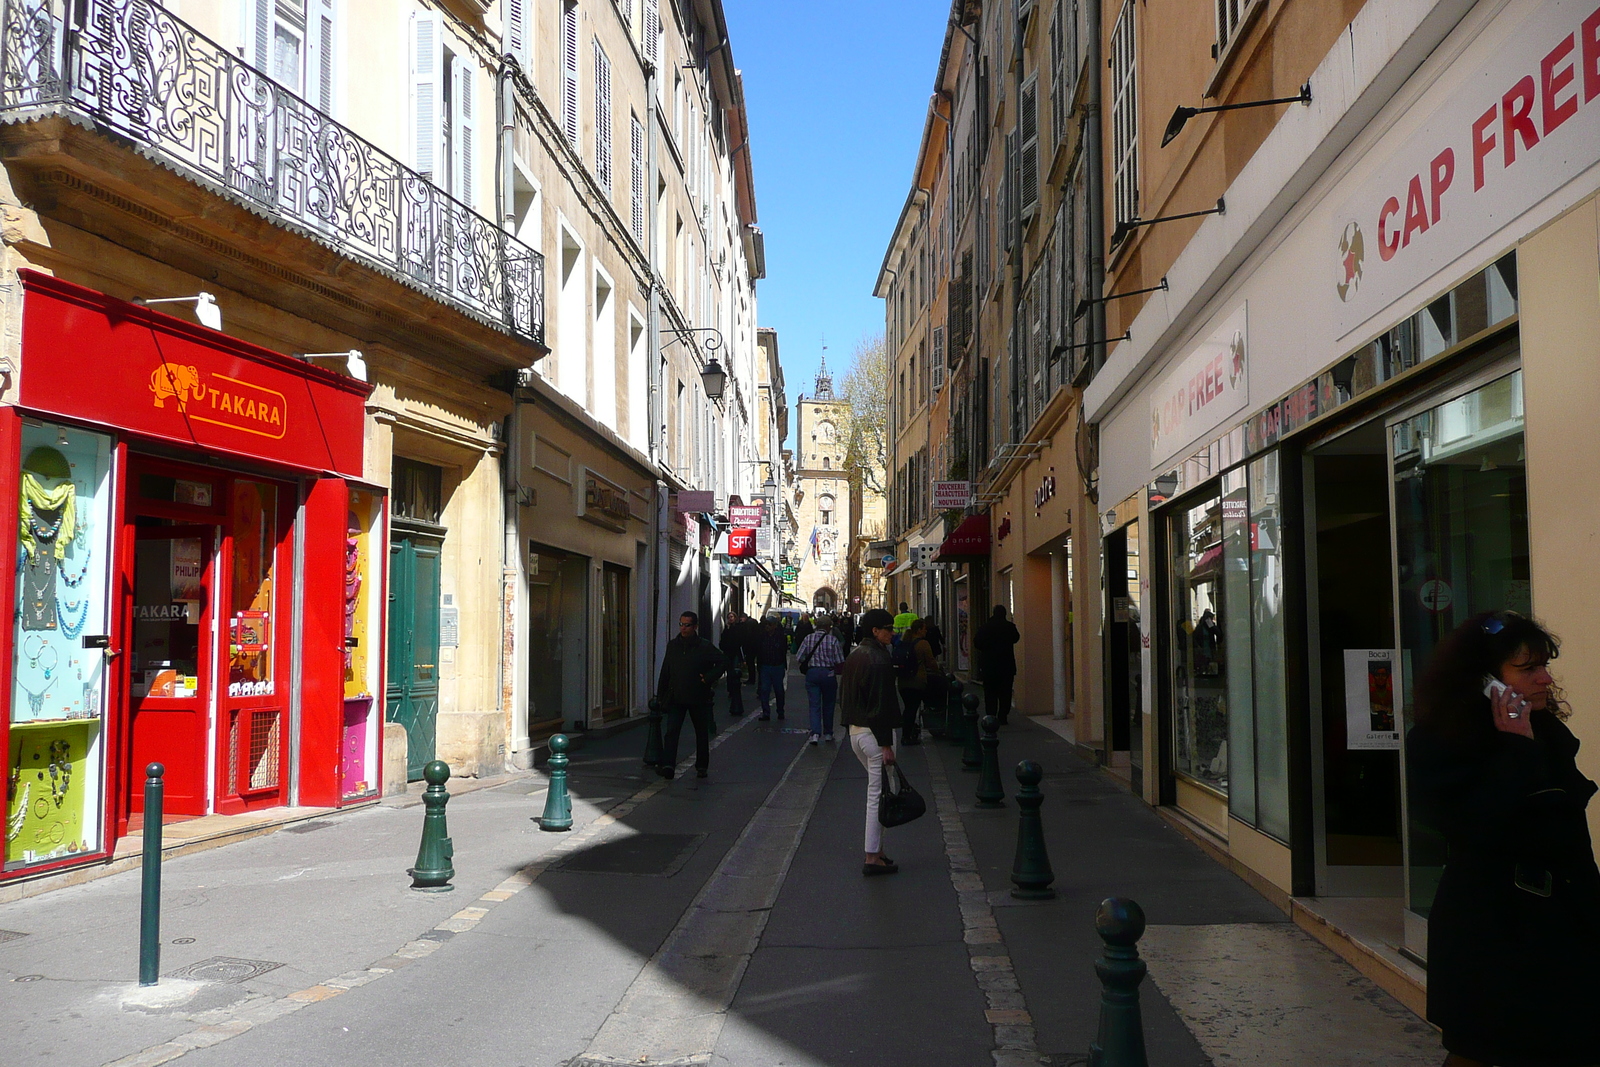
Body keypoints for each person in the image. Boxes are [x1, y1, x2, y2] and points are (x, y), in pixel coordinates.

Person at [1408, 611, 1600, 1067]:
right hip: (1493, 931)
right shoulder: (1439, 744)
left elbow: (1567, 828)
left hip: (1563, 922)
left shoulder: (1546, 732)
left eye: (1544, 665)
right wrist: (1516, 748)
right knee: (1485, 1048)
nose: (1546, 678)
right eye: (1528, 669)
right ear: (1484, 681)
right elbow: (1479, 825)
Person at [839, 607, 902, 876]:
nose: (892, 634)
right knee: (879, 795)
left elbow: (847, 696)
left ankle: (878, 851)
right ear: (875, 631)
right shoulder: (878, 658)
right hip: (874, 734)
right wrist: (886, 743)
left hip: (857, 731)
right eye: (888, 629)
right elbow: (881, 704)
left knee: (884, 791)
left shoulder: (855, 655)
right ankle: (871, 855)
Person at [655, 611, 727, 780]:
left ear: (694, 627)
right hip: (676, 695)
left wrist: (708, 678)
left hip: (698, 696)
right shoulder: (673, 645)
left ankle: (702, 766)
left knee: (701, 733)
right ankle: (668, 766)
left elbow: (723, 661)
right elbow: (666, 670)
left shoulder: (704, 646)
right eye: (681, 624)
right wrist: (661, 695)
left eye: (687, 625)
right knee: (672, 731)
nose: (683, 628)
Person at [797, 612, 845, 744]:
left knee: (814, 704)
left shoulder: (808, 638)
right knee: (829, 704)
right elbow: (839, 660)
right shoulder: (833, 640)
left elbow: (799, 657)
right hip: (828, 674)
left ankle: (815, 734)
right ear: (829, 627)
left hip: (812, 673)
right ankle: (828, 733)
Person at [895, 618, 941, 746]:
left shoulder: (905, 641)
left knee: (909, 708)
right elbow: (931, 662)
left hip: (903, 682)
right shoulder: (923, 644)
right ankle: (907, 735)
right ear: (919, 630)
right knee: (912, 709)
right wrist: (938, 671)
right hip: (917, 681)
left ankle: (909, 732)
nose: (926, 631)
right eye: (924, 629)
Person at [974, 604, 1020, 725]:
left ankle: (991, 715)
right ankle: (1003, 715)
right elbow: (1016, 638)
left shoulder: (985, 627)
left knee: (990, 692)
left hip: (989, 665)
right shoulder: (1009, 627)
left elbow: (977, 643)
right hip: (1006, 665)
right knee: (1005, 692)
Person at [755, 615, 790, 720]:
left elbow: (783, 651)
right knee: (764, 690)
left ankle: (780, 711)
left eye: (769, 624)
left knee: (779, 690)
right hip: (765, 666)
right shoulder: (762, 636)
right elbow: (759, 650)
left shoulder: (781, 637)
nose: (767, 626)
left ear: (775, 625)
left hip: (777, 666)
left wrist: (783, 664)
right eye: (766, 624)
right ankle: (766, 712)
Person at [719, 608, 747, 717]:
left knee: (733, 672)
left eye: (732, 617)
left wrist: (741, 657)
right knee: (729, 671)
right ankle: (730, 689)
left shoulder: (737, 629)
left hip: (734, 653)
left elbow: (739, 641)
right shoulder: (726, 629)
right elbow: (723, 640)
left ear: (735, 618)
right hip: (727, 653)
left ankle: (733, 690)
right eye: (729, 617)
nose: (730, 619)